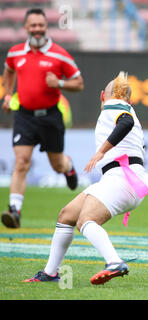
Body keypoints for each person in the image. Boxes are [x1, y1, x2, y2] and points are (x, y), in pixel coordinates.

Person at [23, 71, 148, 284]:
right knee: (67, 216)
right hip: (122, 178)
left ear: (102, 95)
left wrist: (102, 150)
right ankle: (50, 273)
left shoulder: (114, 105)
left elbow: (125, 123)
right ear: (130, 99)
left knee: (86, 220)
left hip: (122, 178)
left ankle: (114, 262)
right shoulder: (123, 106)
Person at [1, 8, 84, 229]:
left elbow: (79, 82)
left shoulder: (59, 54)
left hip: (50, 117)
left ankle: (68, 167)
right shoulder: (15, 53)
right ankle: (14, 210)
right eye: (33, 26)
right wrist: (8, 95)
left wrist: (59, 83)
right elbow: (8, 70)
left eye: (41, 25)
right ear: (26, 27)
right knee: (21, 162)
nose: (37, 30)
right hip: (25, 116)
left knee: (56, 164)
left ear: (46, 27)